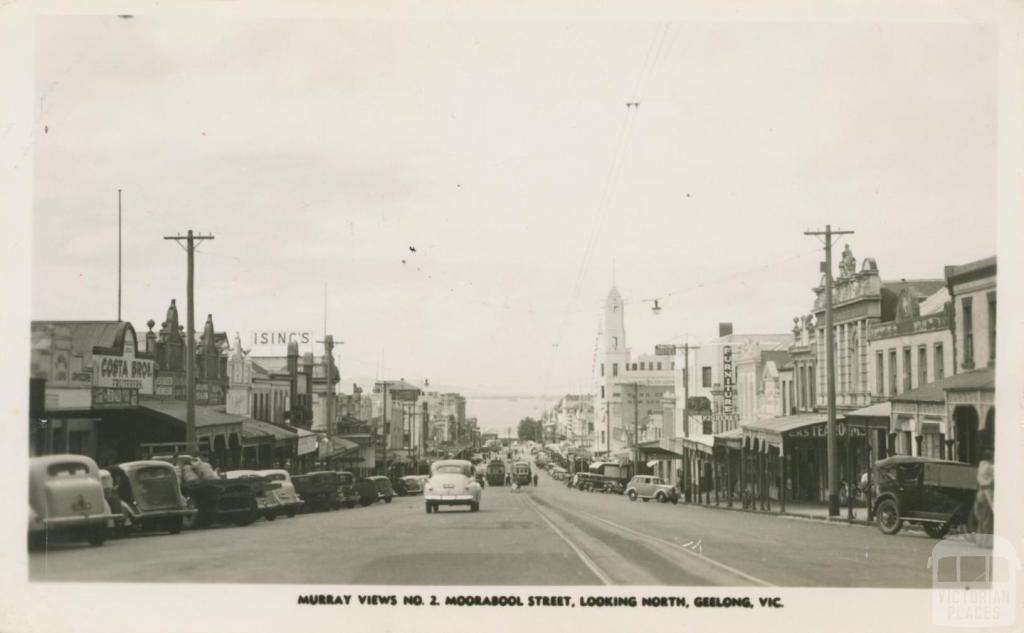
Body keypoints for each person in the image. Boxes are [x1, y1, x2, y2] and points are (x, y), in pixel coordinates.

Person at [974, 450, 994, 546]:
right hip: (987, 494)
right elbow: (991, 480)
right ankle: (986, 542)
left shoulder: (981, 466)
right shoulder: (989, 467)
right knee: (987, 519)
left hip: (980, 493)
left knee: (982, 519)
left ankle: (980, 541)